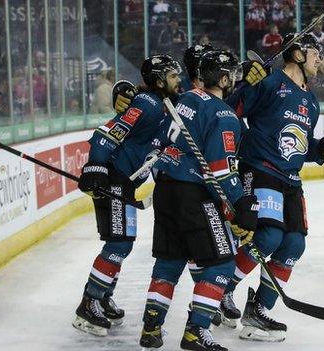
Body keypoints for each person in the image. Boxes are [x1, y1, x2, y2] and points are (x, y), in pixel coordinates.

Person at [220, 33, 324, 342]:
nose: (320, 59)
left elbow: (298, 145)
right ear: (299, 55)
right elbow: (229, 110)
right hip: (261, 170)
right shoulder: (270, 81)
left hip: (290, 180)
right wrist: (246, 84)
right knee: (268, 235)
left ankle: (259, 310)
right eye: (316, 52)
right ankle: (220, 291)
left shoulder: (311, 102)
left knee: (293, 245)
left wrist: (321, 150)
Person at [138, 50, 258, 351]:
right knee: (222, 263)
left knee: (169, 261)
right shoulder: (224, 114)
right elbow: (220, 170)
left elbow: (163, 145)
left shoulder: (186, 100)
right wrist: (241, 205)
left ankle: (151, 328)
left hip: (166, 190)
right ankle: (196, 331)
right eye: (232, 74)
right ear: (224, 77)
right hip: (194, 194)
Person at [72, 54, 182, 337]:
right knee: (118, 244)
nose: (177, 80)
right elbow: (108, 133)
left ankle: (102, 296)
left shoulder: (165, 104)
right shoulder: (147, 104)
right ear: (159, 80)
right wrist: (96, 166)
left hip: (126, 182)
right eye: (172, 76)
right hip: (113, 178)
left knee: (123, 243)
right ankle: (90, 301)